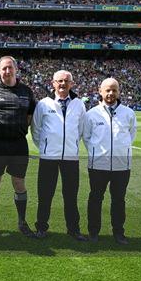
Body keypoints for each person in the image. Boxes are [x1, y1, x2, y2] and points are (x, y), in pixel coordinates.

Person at [0, 56, 36, 238]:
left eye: (9, 68)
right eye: (3, 69)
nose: (7, 71)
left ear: (16, 69)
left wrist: (16, 130)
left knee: (19, 183)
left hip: (19, 145)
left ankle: (22, 221)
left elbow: (29, 116)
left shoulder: (27, 92)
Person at [31, 70, 87, 241]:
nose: (63, 84)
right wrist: (45, 148)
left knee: (71, 195)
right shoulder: (43, 104)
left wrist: (71, 146)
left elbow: (81, 129)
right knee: (45, 194)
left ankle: (73, 229)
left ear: (71, 83)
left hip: (70, 158)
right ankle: (41, 228)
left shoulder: (79, 104)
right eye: (59, 81)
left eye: (66, 81)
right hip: (48, 157)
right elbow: (36, 128)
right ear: (53, 83)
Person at [83, 78, 137, 244]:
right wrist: (96, 152)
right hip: (98, 165)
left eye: (114, 90)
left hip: (122, 166)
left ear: (118, 92)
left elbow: (132, 135)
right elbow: (86, 137)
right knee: (95, 199)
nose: (111, 93)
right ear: (100, 91)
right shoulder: (91, 114)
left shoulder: (128, 113)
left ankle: (119, 233)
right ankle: (93, 232)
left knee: (119, 200)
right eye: (107, 90)